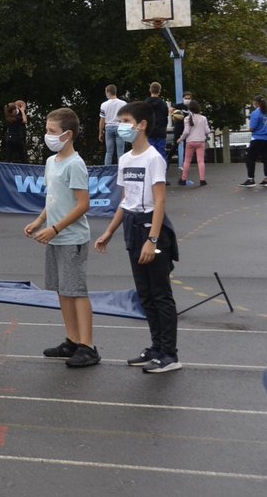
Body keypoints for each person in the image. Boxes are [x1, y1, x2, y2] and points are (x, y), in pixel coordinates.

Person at [95, 101, 181, 373]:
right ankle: (156, 347)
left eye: (126, 121)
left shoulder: (154, 158)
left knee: (160, 294)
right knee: (145, 295)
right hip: (132, 227)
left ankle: (170, 354)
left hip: (151, 228)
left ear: (141, 125)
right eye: (119, 121)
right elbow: (125, 200)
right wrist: (109, 231)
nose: (121, 126)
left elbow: (160, 201)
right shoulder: (126, 159)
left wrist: (153, 240)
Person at [23, 108, 99, 367]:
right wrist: (39, 221)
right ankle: (72, 340)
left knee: (76, 291)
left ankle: (88, 346)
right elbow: (53, 199)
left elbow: (82, 205)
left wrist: (56, 229)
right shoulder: (50, 162)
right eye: (46, 130)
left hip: (72, 238)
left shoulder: (75, 164)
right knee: (62, 291)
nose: (47, 135)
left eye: (52, 131)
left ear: (68, 134)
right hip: (54, 237)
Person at [241, 95, 267, 187]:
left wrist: (252, 129)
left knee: (250, 159)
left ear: (256, 103)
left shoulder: (255, 113)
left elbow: (252, 128)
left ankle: (250, 179)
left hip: (257, 139)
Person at [176, 99, 211, 187]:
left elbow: (186, 131)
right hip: (200, 142)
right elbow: (207, 131)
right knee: (200, 161)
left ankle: (183, 179)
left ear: (189, 109)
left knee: (187, 161)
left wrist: (180, 139)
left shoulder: (187, 118)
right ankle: (202, 180)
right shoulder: (203, 118)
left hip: (190, 142)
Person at [145, 82, 170, 175]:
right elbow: (165, 118)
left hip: (149, 132)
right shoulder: (163, 104)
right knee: (161, 154)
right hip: (161, 132)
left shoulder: (146, 103)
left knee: (149, 154)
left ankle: (150, 175)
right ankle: (162, 175)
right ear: (159, 91)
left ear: (150, 90)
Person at [99, 85, 127, 166]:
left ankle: (107, 170)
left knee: (109, 152)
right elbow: (126, 118)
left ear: (108, 92)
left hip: (109, 127)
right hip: (120, 127)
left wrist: (100, 133)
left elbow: (102, 120)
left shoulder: (104, 105)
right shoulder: (123, 103)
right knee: (120, 151)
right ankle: (121, 169)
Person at [169, 90, 193, 166]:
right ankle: (168, 159)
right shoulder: (179, 106)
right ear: (183, 98)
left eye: (189, 98)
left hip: (188, 129)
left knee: (187, 146)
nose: (187, 100)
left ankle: (185, 163)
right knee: (175, 145)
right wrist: (173, 115)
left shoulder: (192, 107)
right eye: (186, 98)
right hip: (178, 128)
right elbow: (170, 110)